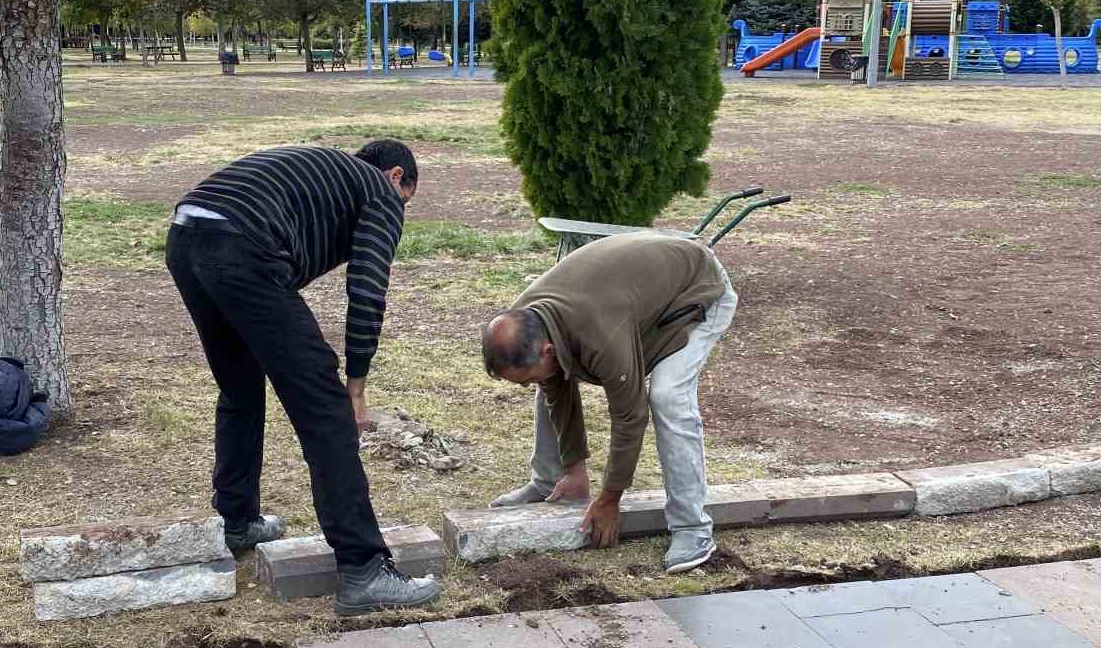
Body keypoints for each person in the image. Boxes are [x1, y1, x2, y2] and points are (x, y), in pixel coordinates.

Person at [166, 141, 441, 615]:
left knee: (239, 390)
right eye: (406, 202)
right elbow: (368, 286)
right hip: (240, 244)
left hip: (186, 233)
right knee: (326, 408)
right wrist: (355, 387)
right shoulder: (379, 190)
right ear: (396, 176)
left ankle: (238, 521)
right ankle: (364, 569)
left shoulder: (324, 177)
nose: (401, 213)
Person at [481, 232, 738, 574]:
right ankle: (551, 481)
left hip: (696, 288)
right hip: (638, 293)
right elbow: (555, 384)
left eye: (524, 377)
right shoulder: (528, 319)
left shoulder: (600, 332)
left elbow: (630, 415)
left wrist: (610, 498)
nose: (525, 385)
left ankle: (692, 528)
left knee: (667, 395)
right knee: (548, 382)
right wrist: (576, 470)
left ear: (546, 349)